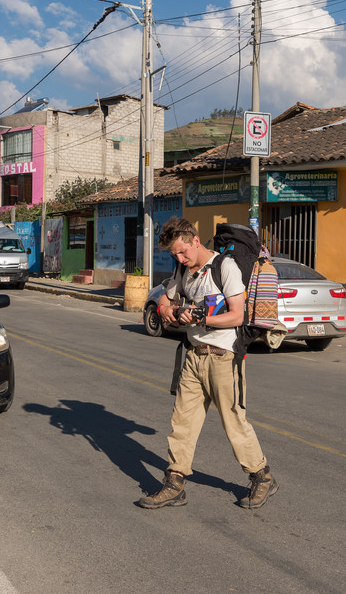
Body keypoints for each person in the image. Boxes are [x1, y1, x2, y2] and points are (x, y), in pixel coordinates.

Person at [137, 217, 278, 510]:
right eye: (174, 254)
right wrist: (172, 313)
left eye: (183, 252)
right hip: (193, 355)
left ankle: (261, 476)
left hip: (224, 357)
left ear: (195, 240)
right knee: (182, 425)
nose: (180, 258)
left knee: (234, 423)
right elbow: (164, 303)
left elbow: (238, 315)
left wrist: (204, 318)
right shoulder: (182, 270)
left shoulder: (223, 267)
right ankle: (174, 484)